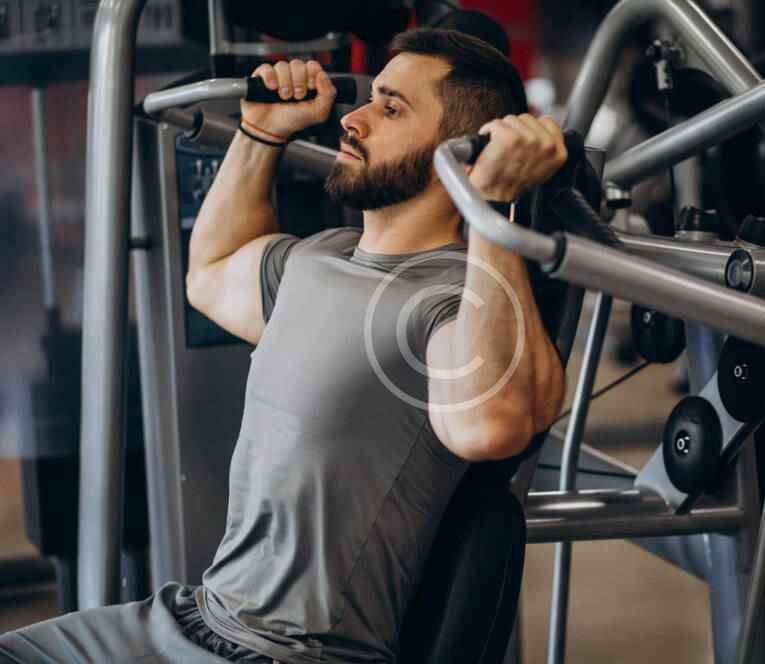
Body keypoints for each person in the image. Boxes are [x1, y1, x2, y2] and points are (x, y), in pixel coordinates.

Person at [0, 28, 566, 664]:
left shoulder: (452, 299)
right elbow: (210, 274)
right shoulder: (320, 256)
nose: (352, 119)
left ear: (462, 155)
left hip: (288, 652)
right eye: (370, 99)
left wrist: (491, 206)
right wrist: (261, 133)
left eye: (391, 109)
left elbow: (490, 424)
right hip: (193, 614)